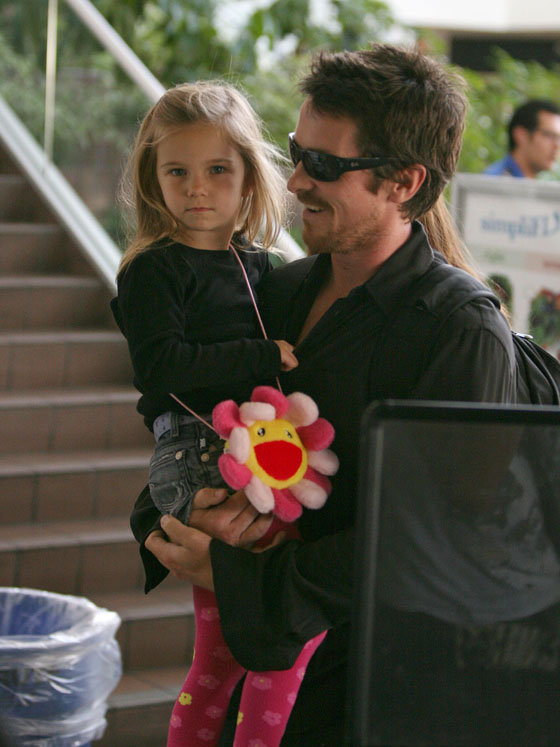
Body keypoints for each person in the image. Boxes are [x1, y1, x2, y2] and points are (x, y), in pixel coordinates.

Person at [136, 45, 560, 745]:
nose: (296, 179)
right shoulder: (278, 289)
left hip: (388, 683)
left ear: (404, 182)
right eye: (298, 150)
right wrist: (175, 517)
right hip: (275, 668)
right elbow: (188, 415)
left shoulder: (459, 330)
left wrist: (245, 579)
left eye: (325, 164)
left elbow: (435, 537)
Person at [111, 81, 329, 747]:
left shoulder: (265, 266)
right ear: (153, 178)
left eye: (217, 170)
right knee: (284, 644)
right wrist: (263, 353)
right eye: (177, 171)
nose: (198, 189)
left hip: (256, 449)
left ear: (248, 178)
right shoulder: (152, 270)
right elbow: (162, 367)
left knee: (223, 657)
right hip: (200, 452)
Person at [484, 98, 560, 178]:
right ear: (521, 135)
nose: (557, 145)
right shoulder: (494, 181)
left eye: (558, 138)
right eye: (549, 135)